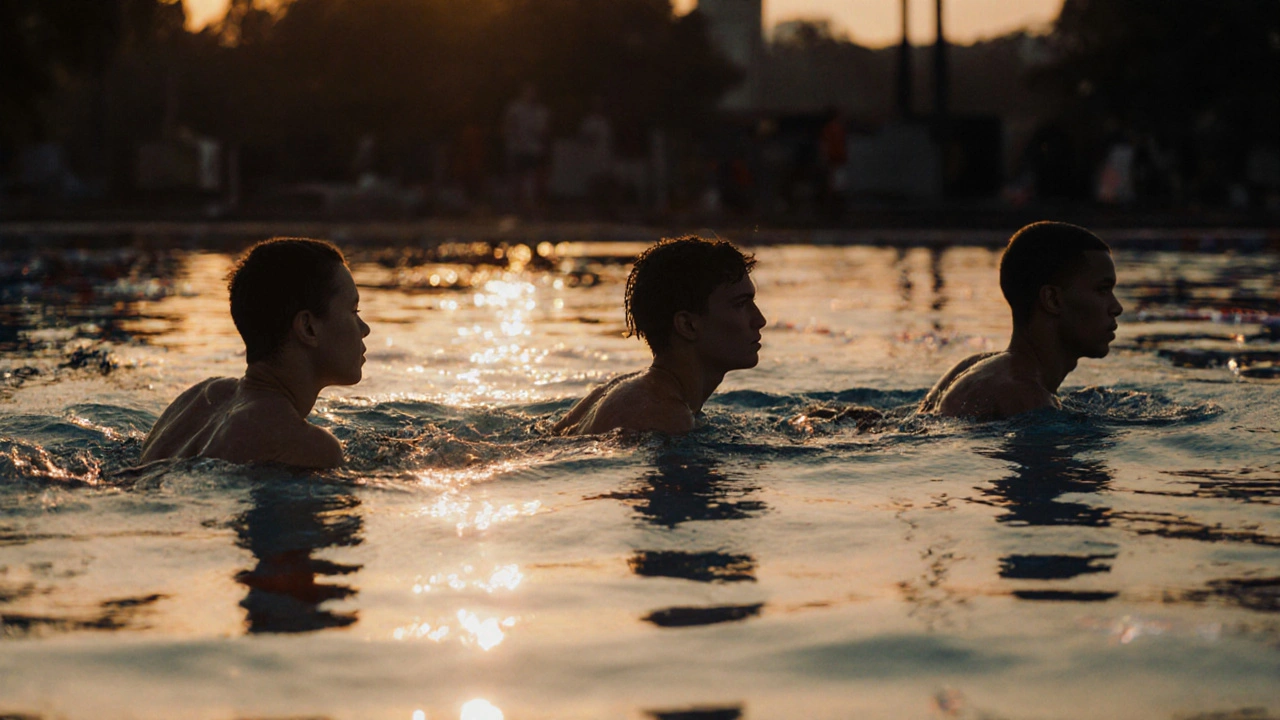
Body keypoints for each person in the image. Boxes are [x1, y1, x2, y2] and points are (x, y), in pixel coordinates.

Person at [140, 238, 370, 467]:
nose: (365, 329)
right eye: (353, 310)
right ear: (308, 328)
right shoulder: (308, 446)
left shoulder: (200, 398)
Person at [553, 235, 766, 435]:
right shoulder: (665, 417)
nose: (760, 320)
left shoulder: (622, 389)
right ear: (688, 325)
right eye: (740, 304)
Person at [919, 221, 1122, 420]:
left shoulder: (972, 366)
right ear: (1052, 300)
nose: (1117, 308)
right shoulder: (1025, 398)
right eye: (1102, 290)